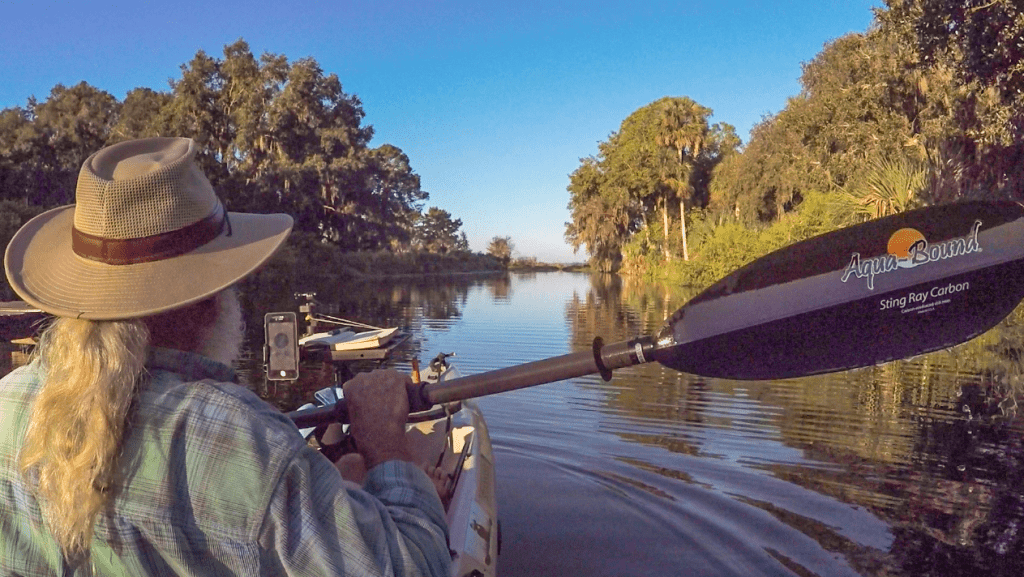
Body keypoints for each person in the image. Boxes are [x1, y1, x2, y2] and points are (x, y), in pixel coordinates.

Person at [0, 137, 451, 575]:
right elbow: (419, 567)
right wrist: (385, 442)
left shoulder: (8, 402)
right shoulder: (243, 440)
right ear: (210, 302)